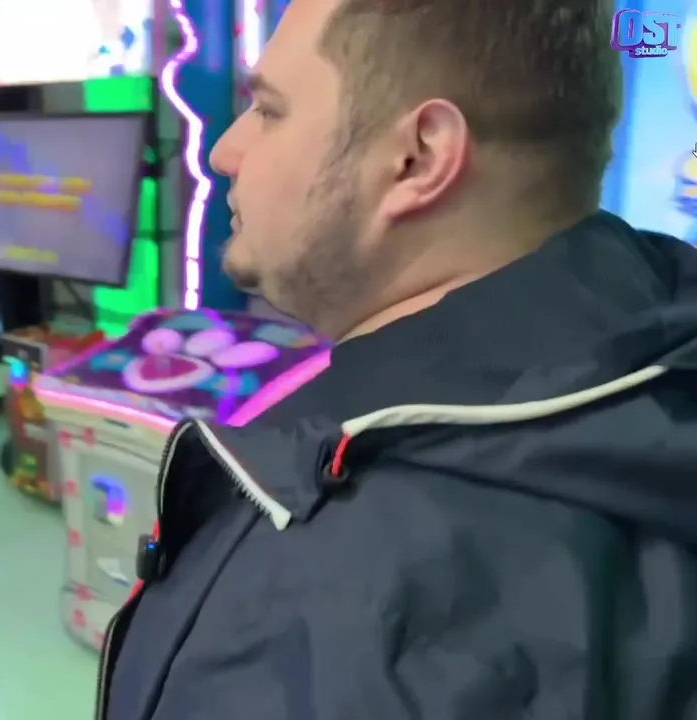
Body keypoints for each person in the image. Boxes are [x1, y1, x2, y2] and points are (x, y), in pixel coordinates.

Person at [97, 0, 697, 718]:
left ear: (418, 159)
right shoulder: (656, 358)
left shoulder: (313, 597)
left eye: (269, 110)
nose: (224, 150)